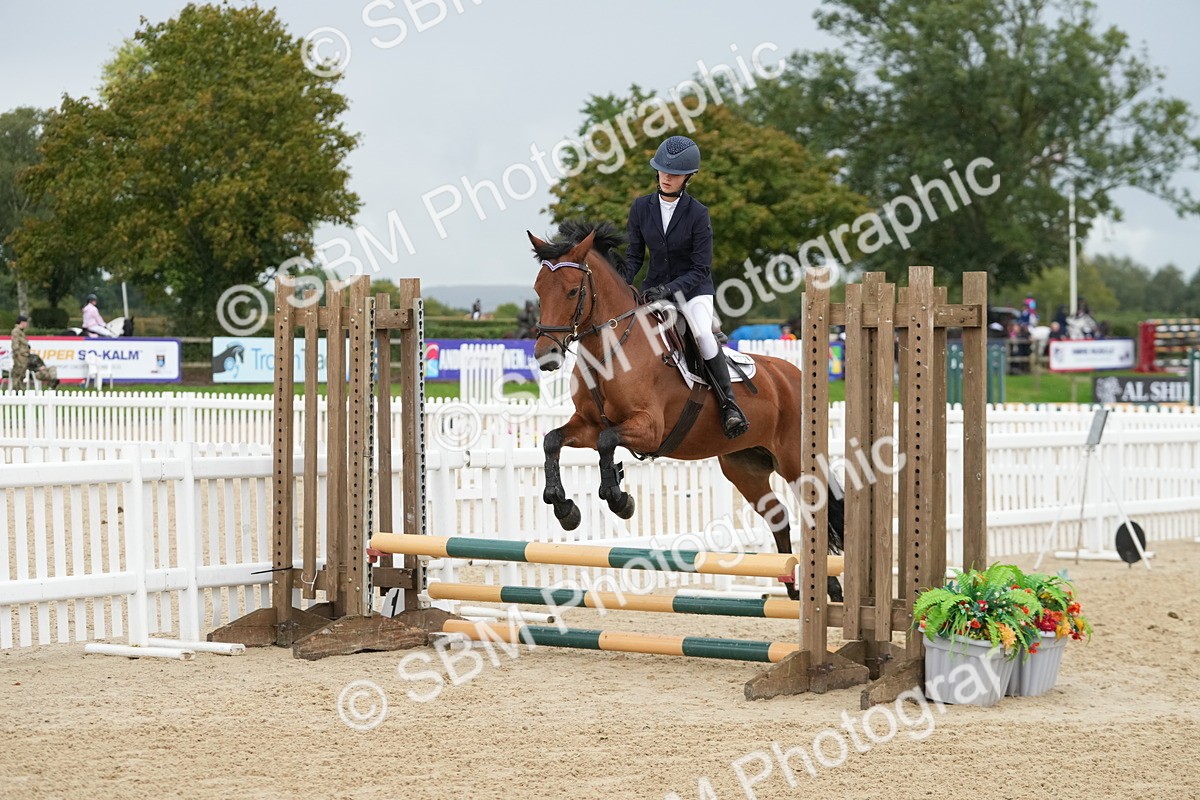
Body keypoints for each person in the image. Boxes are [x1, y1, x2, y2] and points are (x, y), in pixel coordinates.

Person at [622, 134, 748, 438]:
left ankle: (729, 404)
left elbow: (700, 267)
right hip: (652, 291)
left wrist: (669, 290)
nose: (667, 177)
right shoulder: (641, 207)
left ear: (687, 178)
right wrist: (620, 284)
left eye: (674, 174)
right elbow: (634, 256)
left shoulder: (697, 213)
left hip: (694, 291)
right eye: (663, 171)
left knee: (703, 334)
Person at [9, 314, 59, 390]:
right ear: (22, 322)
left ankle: (18, 391)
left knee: (21, 374)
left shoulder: (21, 332)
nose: (26, 324)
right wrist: (18, 355)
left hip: (24, 356)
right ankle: (16, 391)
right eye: (25, 322)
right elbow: (15, 346)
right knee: (19, 374)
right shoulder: (16, 332)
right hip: (20, 357)